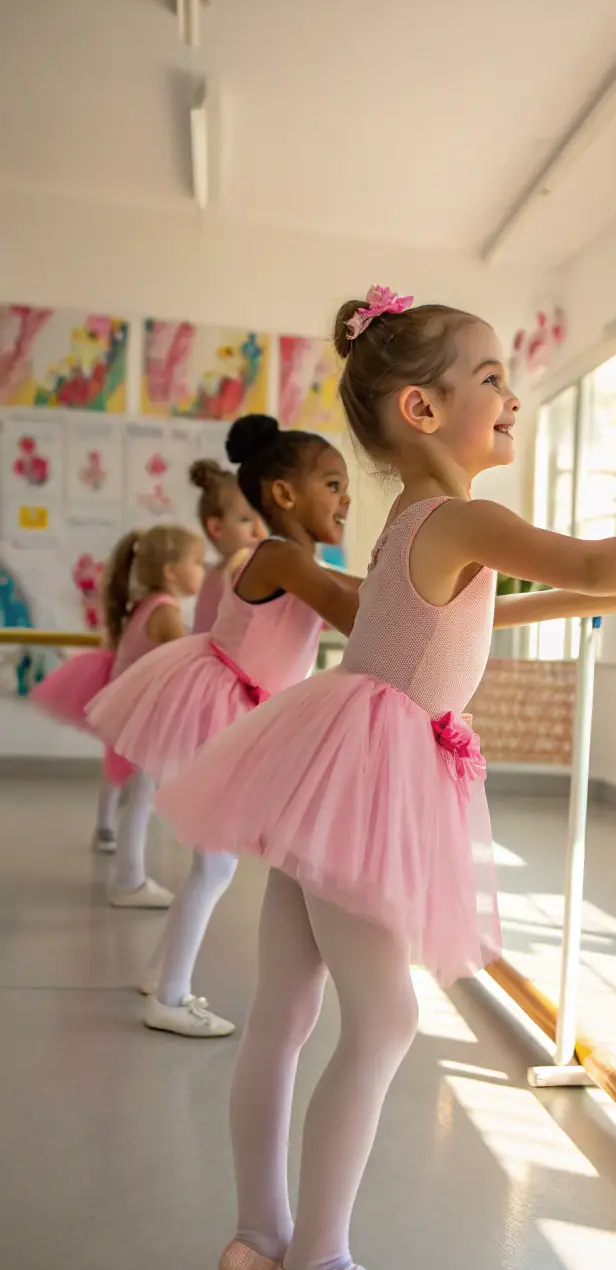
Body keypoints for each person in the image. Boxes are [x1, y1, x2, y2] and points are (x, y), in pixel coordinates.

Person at [155, 285, 616, 1270]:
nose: (514, 396)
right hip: (368, 770)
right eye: (493, 378)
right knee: (384, 1019)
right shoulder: (459, 514)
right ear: (422, 411)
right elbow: (597, 569)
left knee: (288, 1006)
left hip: (331, 760)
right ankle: (317, 1262)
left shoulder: (411, 520)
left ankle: (260, 1237)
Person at [87, 415, 361, 1039]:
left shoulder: (298, 559)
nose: (346, 500)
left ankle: (162, 974)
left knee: (214, 866)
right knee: (215, 866)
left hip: (245, 710)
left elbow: (348, 589)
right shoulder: (280, 556)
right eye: (333, 484)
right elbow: (351, 605)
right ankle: (170, 996)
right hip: (225, 709)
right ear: (285, 495)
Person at [31, 525, 205, 905]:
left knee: (127, 783)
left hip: (128, 709)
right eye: (197, 562)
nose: (203, 570)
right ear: (171, 572)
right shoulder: (165, 612)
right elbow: (189, 658)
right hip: (142, 715)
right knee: (141, 796)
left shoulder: (144, 605)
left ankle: (107, 834)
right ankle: (129, 880)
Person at [189, 458, 268, 632]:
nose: (260, 531)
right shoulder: (243, 567)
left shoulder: (212, 573)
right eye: (245, 520)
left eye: (263, 518)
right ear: (216, 528)